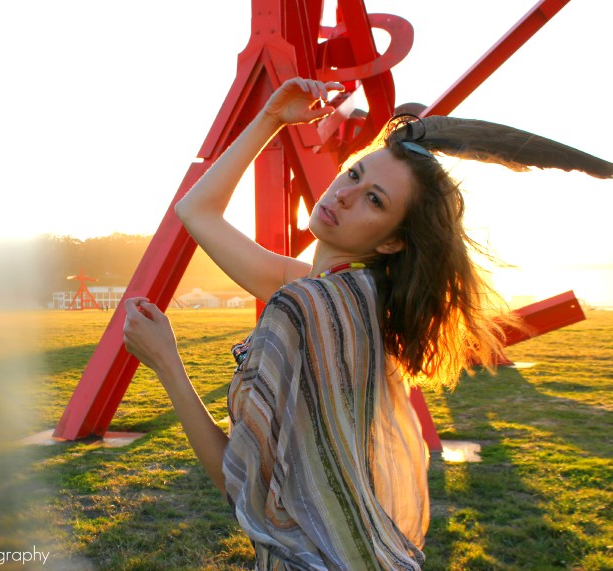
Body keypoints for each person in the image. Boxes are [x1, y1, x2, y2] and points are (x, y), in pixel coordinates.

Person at [121, 77, 609, 570]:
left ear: (392, 240)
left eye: (375, 200)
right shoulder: (352, 294)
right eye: (353, 174)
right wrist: (271, 118)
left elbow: (243, 483)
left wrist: (166, 362)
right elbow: (196, 211)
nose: (344, 195)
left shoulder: (308, 305)